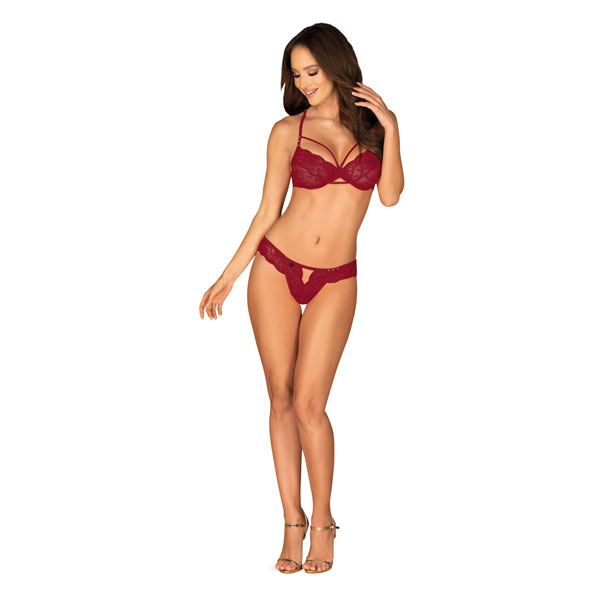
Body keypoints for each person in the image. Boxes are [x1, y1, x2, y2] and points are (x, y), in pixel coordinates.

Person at [199, 22, 404, 573]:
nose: (305, 82)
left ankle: (324, 521)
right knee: (281, 396)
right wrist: (229, 275)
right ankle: (292, 521)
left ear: (336, 66)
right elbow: (268, 210)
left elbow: (389, 197)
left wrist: (392, 125)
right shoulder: (287, 131)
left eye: (312, 71)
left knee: (312, 403)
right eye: (296, 74)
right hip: (276, 267)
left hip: (337, 277)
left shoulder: (374, 130)